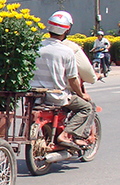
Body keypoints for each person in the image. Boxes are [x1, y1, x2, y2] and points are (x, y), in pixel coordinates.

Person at [31, 11, 95, 149]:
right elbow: (72, 80)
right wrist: (81, 94)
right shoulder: (67, 51)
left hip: (34, 97)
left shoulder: (35, 47)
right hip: (56, 97)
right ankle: (66, 134)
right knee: (87, 107)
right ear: (67, 30)